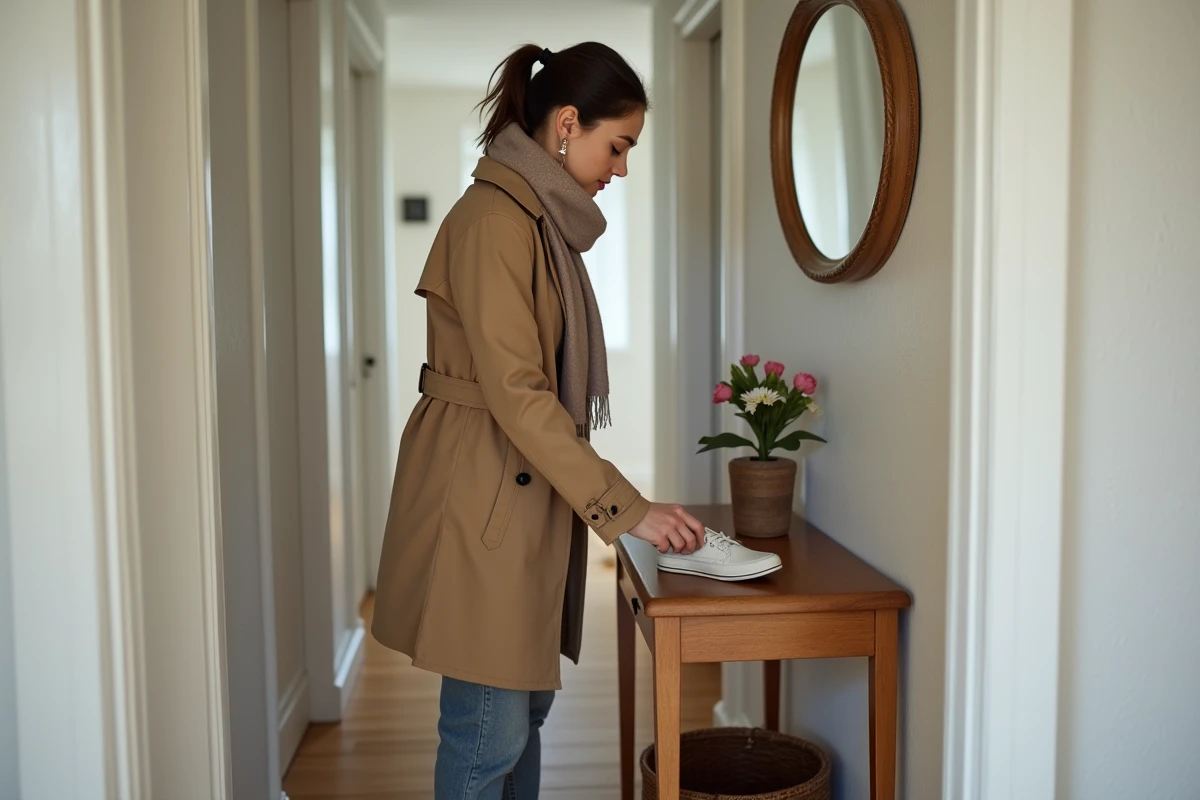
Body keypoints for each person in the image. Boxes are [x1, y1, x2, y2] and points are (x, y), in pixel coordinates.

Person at [370, 41, 705, 799]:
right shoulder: (497, 221)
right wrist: (630, 510)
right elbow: (519, 392)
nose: (621, 168)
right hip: (484, 495)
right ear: (565, 124)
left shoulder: (537, 218)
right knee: (487, 733)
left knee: (521, 719)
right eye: (617, 146)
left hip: (515, 489)